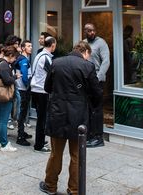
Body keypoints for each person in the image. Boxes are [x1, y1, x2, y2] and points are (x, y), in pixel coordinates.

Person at [39, 41, 102, 195]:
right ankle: (74, 189)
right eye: (89, 56)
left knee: (55, 153)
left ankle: (50, 185)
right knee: (77, 155)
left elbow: (47, 87)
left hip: (58, 113)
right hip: (78, 116)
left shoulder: (56, 63)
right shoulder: (87, 66)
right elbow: (97, 93)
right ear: (85, 52)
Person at [83, 23, 110, 148]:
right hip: (86, 81)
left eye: (93, 30)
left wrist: (98, 77)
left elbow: (106, 61)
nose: (92, 33)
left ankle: (98, 138)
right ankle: (89, 135)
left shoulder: (101, 43)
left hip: (97, 81)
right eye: (89, 31)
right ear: (85, 31)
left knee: (97, 109)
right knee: (88, 109)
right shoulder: (83, 43)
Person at [31, 36, 56, 153]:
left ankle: (40, 140)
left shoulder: (39, 55)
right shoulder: (46, 58)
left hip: (35, 89)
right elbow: (52, 75)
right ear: (52, 45)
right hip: (42, 91)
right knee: (42, 119)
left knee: (40, 118)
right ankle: (39, 145)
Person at [0, 46, 21, 152]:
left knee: (0, 119)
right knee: (3, 121)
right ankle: (4, 143)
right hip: (6, 95)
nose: (15, 60)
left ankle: (1, 142)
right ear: (10, 56)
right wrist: (15, 77)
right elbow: (7, 80)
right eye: (14, 57)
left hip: (0, 95)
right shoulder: (5, 65)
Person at [15, 40, 33, 146]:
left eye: (31, 46)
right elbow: (25, 76)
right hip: (23, 89)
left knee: (23, 112)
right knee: (22, 113)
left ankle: (22, 132)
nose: (30, 47)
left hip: (22, 89)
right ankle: (20, 137)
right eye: (28, 46)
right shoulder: (23, 60)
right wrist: (28, 85)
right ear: (23, 48)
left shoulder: (22, 58)